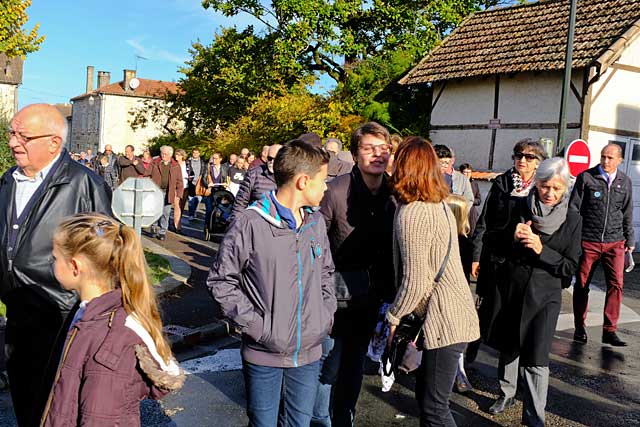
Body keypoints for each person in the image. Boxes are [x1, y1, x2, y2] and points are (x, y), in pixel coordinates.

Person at [207, 139, 336, 427]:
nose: (326, 187)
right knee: (263, 423)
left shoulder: (315, 223)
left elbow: (326, 273)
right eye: (323, 181)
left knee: (298, 424)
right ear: (303, 181)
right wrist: (257, 326)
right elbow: (221, 280)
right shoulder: (251, 223)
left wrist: (324, 317)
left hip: (309, 352)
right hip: (264, 352)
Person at [0, 103, 112, 426]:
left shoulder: (84, 185)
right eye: (12, 133)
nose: (13, 142)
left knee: (59, 412)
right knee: (26, 408)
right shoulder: (8, 181)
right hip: (18, 320)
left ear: (53, 142)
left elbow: (107, 257)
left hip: (63, 323)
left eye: (23, 136)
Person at [41, 213, 184, 426]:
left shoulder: (109, 342)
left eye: (55, 258)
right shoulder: (87, 313)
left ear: (75, 266)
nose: (51, 264)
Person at [387, 136, 479, 427]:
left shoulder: (414, 212)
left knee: (434, 408)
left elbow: (416, 281)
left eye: (396, 159)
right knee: (429, 404)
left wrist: (392, 317)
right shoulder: (435, 203)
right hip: (451, 314)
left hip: (445, 319)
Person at [484, 158, 581, 426]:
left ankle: (534, 416)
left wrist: (541, 250)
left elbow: (569, 266)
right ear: (536, 184)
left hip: (544, 296)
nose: (549, 193)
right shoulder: (519, 206)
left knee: (537, 356)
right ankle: (506, 393)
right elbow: (492, 239)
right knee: (510, 344)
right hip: (512, 288)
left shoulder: (573, 220)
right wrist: (510, 237)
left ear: (565, 190)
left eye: (556, 189)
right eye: (545, 186)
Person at [313, 122, 396, 427]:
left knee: (353, 366)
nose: (377, 154)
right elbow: (316, 246)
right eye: (368, 148)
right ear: (354, 153)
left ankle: (343, 418)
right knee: (328, 367)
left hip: (375, 298)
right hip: (336, 296)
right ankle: (319, 419)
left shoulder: (395, 193)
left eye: (383, 148)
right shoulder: (335, 191)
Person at [471, 138, 546, 415]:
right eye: (518, 156)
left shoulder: (545, 186)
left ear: (539, 161)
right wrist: (478, 255)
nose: (522, 161)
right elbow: (485, 223)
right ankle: (506, 390)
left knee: (531, 333)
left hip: (533, 270)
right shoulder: (502, 184)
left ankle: (529, 387)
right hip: (502, 265)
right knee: (506, 331)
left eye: (529, 157)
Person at [570, 143, 634, 347]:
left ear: (620, 160)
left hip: (615, 243)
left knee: (616, 285)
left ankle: (610, 331)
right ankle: (579, 327)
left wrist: (629, 239)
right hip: (588, 241)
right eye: (603, 157)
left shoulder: (626, 182)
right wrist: (573, 239)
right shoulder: (586, 178)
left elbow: (627, 212)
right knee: (582, 285)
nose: (605, 161)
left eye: (610, 158)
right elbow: (574, 210)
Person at [446, 194, 475, 394]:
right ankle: (460, 374)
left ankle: (456, 375)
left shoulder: (447, 239)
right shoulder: (466, 242)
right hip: (461, 293)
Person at [231, 144, 282, 221]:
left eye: (276, 159)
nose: (272, 162)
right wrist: (235, 225)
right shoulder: (254, 174)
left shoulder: (290, 177)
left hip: (281, 227)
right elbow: (240, 203)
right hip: (257, 224)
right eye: (269, 158)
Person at [151, 145, 184, 241]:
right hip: (156, 191)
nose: (163, 155)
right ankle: (154, 227)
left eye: (166, 154)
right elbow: (147, 174)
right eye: (162, 153)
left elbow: (179, 181)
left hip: (168, 192)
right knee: (155, 210)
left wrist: (179, 193)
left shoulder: (175, 165)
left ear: (170, 155)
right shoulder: (155, 163)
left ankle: (162, 232)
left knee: (166, 212)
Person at [203, 152, 230, 227]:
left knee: (221, 210)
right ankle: (207, 227)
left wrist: (226, 184)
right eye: (213, 158)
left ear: (220, 159)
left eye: (216, 158)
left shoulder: (225, 168)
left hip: (220, 192)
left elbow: (227, 179)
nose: (214, 160)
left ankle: (217, 226)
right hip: (210, 192)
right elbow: (203, 178)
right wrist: (207, 184)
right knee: (209, 210)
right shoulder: (208, 167)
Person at [459, 163, 482, 235]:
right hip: (460, 211)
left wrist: (470, 200)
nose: (467, 174)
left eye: (469, 172)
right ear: (461, 172)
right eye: (465, 172)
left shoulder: (474, 184)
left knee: (471, 234)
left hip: (471, 213)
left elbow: (479, 200)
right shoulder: (458, 183)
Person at [187, 148, 208, 220]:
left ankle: (194, 211)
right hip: (191, 183)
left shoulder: (203, 162)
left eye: (196, 153)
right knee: (191, 200)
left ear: (199, 154)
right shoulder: (188, 162)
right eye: (194, 153)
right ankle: (191, 214)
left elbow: (204, 172)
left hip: (199, 183)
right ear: (192, 153)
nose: (195, 154)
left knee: (198, 199)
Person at [173, 149, 189, 233]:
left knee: (182, 207)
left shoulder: (187, 164)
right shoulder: (174, 165)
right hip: (177, 188)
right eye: (176, 155)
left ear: (182, 156)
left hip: (186, 187)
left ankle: (176, 221)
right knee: (177, 207)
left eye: (178, 155)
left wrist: (190, 177)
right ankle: (177, 227)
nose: (176, 157)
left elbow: (191, 173)